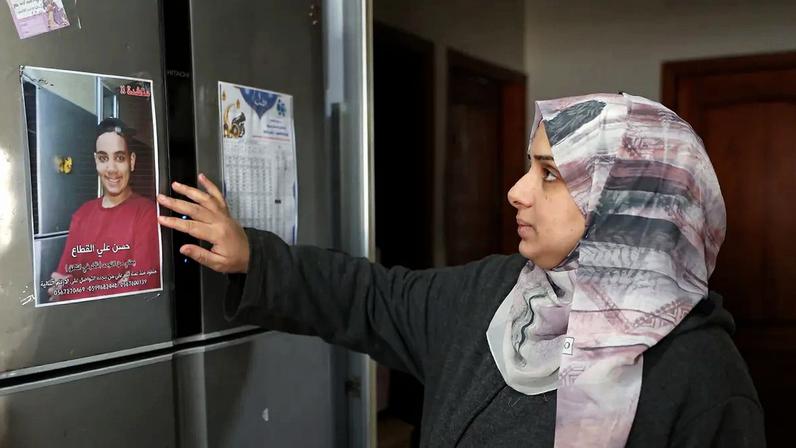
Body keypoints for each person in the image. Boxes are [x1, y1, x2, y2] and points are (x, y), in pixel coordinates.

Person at [157, 93, 764, 447]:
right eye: (530, 167)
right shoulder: (493, 293)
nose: (516, 192)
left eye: (550, 174)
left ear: (630, 202)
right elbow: (372, 298)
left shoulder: (701, 377)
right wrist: (253, 256)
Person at [49, 118, 161, 302]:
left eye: (119, 158)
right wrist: (118, 285)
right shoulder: (82, 214)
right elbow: (57, 291)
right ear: (96, 162)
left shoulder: (146, 213)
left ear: (131, 161)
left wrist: (72, 287)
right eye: (103, 158)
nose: (111, 169)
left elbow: (142, 287)